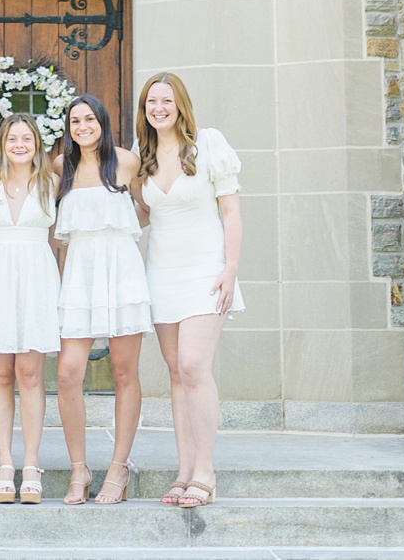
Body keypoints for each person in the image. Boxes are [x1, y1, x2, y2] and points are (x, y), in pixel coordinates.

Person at [139, 71, 243, 508]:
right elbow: (141, 218)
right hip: (161, 273)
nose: (158, 108)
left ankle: (206, 470)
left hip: (205, 271)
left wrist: (231, 268)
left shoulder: (208, 145)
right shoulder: (142, 159)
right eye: (151, 102)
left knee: (194, 365)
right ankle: (183, 470)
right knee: (176, 373)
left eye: (166, 100)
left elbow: (231, 211)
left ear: (180, 104)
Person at [51, 93, 149, 506]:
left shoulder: (126, 161)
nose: (82, 127)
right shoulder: (61, 166)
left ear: (102, 122)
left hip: (121, 272)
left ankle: (117, 469)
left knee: (124, 373)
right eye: (75, 121)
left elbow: (146, 208)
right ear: (68, 128)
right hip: (79, 275)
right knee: (68, 374)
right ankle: (79, 469)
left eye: (89, 119)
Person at [0, 111, 57, 506]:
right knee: (0, 372)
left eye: (26, 138)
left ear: (37, 143)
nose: (19, 145)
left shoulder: (50, 183)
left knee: (30, 372)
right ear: (1, 145)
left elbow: (58, 242)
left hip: (37, 276)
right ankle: (5, 463)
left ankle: (32, 463)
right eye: (12, 139)